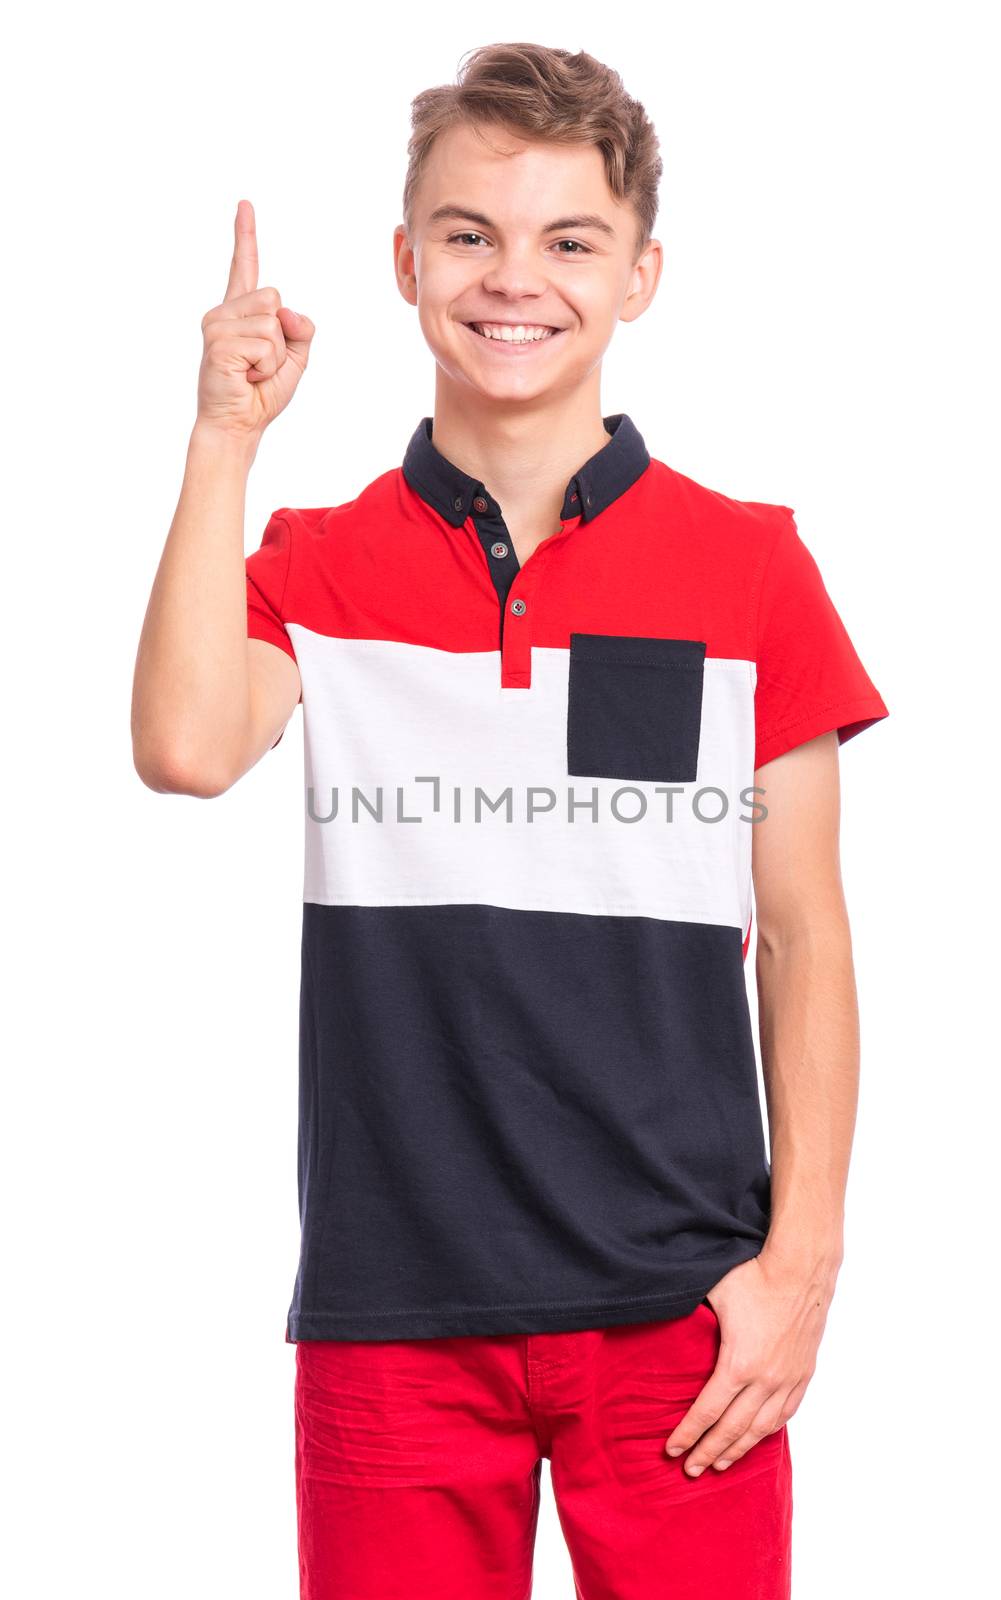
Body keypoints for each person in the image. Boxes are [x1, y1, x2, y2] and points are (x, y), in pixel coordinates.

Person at [131, 40, 887, 1600]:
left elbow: (805, 938)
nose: (512, 280)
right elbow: (188, 749)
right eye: (469, 233)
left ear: (641, 275)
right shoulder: (317, 563)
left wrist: (798, 1268)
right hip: (393, 1314)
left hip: (679, 1317)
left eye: (568, 240)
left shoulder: (750, 569)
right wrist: (223, 437)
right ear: (406, 262)